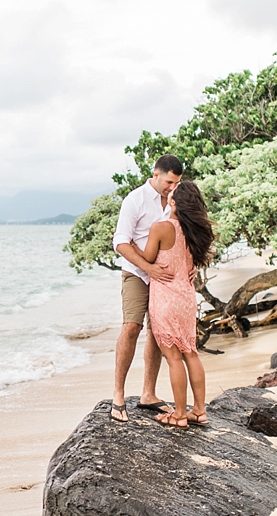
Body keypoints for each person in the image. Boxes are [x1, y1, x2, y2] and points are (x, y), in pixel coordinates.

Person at [133, 180, 215, 428]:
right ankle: (199, 411)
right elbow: (192, 263)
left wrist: (131, 245)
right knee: (191, 352)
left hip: (166, 297)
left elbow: (147, 259)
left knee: (173, 357)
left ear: (174, 202)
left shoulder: (161, 227)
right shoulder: (195, 232)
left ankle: (179, 414)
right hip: (186, 298)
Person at [109, 155, 183, 422]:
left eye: (175, 183)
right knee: (131, 327)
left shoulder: (175, 202)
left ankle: (148, 394)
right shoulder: (135, 200)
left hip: (165, 279)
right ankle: (118, 395)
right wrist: (148, 268)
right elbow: (120, 242)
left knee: (158, 332)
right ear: (156, 174)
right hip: (138, 274)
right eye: (168, 182)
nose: (171, 187)